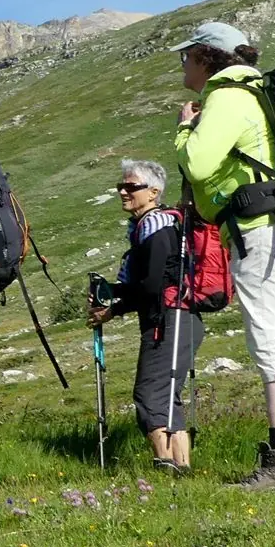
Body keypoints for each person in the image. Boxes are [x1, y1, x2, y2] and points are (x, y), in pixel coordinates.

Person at [169, 21, 275, 493]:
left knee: (272, 346)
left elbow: (196, 164)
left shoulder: (229, 98)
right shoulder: (260, 94)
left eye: (186, 56)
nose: (183, 65)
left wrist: (185, 130)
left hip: (261, 231)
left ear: (206, 56)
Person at [86, 159, 204, 477]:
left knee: (149, 393)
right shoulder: (156, 226)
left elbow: (152, 285)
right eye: (120, 186)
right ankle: (182, 470)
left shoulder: (156, 228)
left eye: (131, 186)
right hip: (179, 319)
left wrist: (114, 305)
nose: (123, 192)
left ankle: (166, 467)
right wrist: (113, 293)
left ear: (153, 192)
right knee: (166, 395)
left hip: (167, 320)